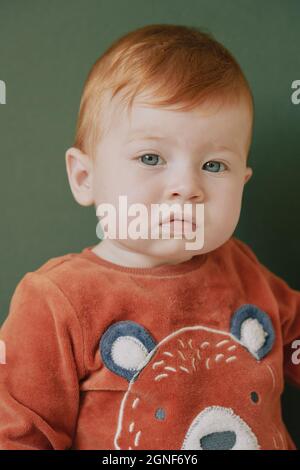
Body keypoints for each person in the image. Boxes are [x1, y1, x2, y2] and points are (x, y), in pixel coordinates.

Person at [0, 23, 299, 450]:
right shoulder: (55, 301)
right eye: (151, 157)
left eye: (214, 165)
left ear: (243, 183)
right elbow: (19, 436)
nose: (187, 185)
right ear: (85, 178)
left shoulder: (245, 271)